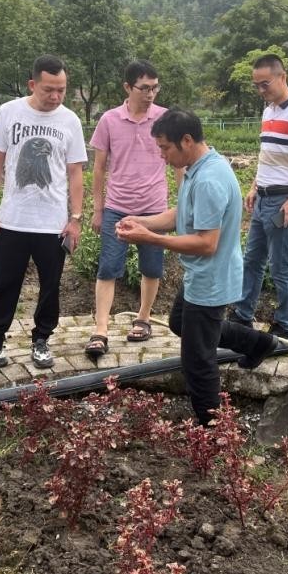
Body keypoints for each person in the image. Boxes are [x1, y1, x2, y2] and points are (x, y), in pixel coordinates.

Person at [116, 109, 279, 425]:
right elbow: (181, 213)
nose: (162, 155)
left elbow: (206, 243)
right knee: (180, 322)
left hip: (211, 278)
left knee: (197, 360)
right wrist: (142, 221)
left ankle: (214, 430)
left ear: (186, 140)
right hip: (204, 274)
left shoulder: (209, 179)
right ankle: (259, 343)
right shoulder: (199, 167)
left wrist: (150, 238)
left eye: (165, 147)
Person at [0, 55, 87, 376]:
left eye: (61, 90)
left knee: (51, 286)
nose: (56, 96)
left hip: (53, 225)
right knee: (4, 285)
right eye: (49, 89)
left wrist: (76, 218)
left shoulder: (70, 120)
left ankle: (41, 340)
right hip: (12, 219)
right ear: (32, 84)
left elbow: (75, 173)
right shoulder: (9, 112)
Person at [85, 60, 182, 359]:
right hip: (117, 207)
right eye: (145, 88)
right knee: (108, 268)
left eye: (155, 87)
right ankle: (100, 329)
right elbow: (99, 168)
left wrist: (182, 204)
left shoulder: (165, 118)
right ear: (128, 87)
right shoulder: (110, 120)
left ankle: (143, 318)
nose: (151, 93)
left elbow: (178, 163)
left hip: (154, 208)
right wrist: (98, 209)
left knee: (151, 268)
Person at [228, 53, 288, 339]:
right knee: (252, 259)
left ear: (282, 77)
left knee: (281, 265)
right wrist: (254, 186)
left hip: (282, 200)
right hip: (264, 196)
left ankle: (284, 323)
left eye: (265, 84)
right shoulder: (269, 112)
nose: (261, 91)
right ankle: (243, 314)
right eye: (257, 85)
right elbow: (267, 156)